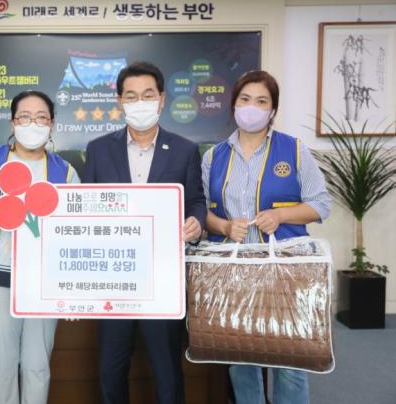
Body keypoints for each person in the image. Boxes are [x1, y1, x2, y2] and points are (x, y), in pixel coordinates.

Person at [202, 70, 331, 404]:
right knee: (241, 357)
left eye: (261, 101)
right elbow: (202, 213)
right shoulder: (214, 156)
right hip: (233, 273)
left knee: (290, 357)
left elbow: (321, 204)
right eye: (245, 99)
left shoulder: (294, 150)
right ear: (234, 105)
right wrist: (224, 227)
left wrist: (281, 216)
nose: (252, 108)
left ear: (273, 110)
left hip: (285, 270)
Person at [83, 61, 206, 404]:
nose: (140, 103)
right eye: (131, 96)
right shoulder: (98, 149)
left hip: (161, 277)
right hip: (112, 277)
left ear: (162, 99)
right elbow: (84, 207)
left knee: (167, 372)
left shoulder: (184, 150)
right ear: (120, 102)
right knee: (110, 371)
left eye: (148, 95)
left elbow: (196, 201)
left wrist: (196, 223)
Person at [0, 90, 80, 404]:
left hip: (44, 282)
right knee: (2, 365)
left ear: (51, 124)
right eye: (25, 117)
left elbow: (77, 232)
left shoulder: (66, 172)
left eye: (41, 118)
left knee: (38, 365)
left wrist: (72, 289)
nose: (32, 124)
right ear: (12, 122)